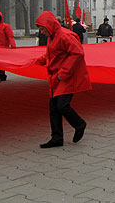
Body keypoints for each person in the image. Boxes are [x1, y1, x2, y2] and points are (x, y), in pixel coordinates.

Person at [35, 11, 92, 148]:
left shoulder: (64, 36)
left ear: (49, 25)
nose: (41, 32)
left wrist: (64, 72)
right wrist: (39, 60)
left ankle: (79, 124)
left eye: (42, 28)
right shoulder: (53, 37)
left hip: (66, 77)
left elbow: (77, 53)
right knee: (54, 108)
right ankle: (57, 138)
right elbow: (53, 53)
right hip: (57, 77)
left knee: (62, 106)